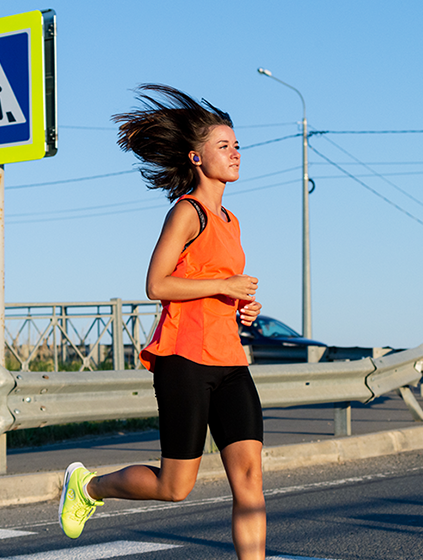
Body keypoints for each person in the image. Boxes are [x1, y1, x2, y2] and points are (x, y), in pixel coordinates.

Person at [59, 84, 266, 559]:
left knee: (250, 480)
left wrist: (241, 305)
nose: (235, 153)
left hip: (230, 360)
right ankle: (87, 487)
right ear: (196, 157)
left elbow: (212, 286)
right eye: (223, 146)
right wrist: (224, 284)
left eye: (236, 145)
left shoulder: (231, 221)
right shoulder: (187, 212)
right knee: (175, 487)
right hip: (185, 360)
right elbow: (157, 284)